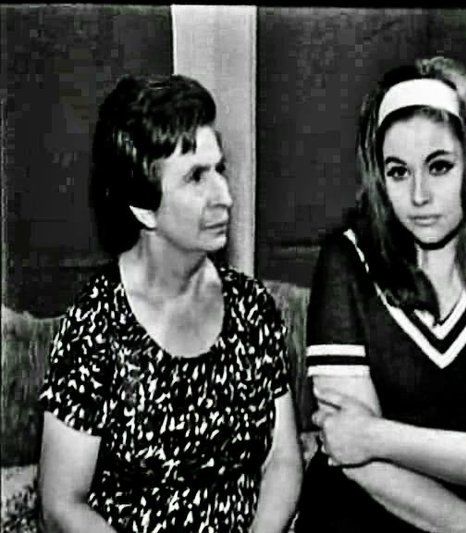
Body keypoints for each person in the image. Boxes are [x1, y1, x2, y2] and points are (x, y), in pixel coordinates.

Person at [295, 57, 466, 532]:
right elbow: (352, 457)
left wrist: (376, 435)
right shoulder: (347, 260)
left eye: (439, 166)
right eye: (398, 172)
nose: (419, 196)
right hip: (363, 512)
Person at [38, 74, 302, 533]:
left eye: (220, 169)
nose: (225, 197)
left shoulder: (252, 307)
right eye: (196, 177)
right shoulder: (94, 325)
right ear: (143, 207)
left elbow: (282, 459)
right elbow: (61, 505)